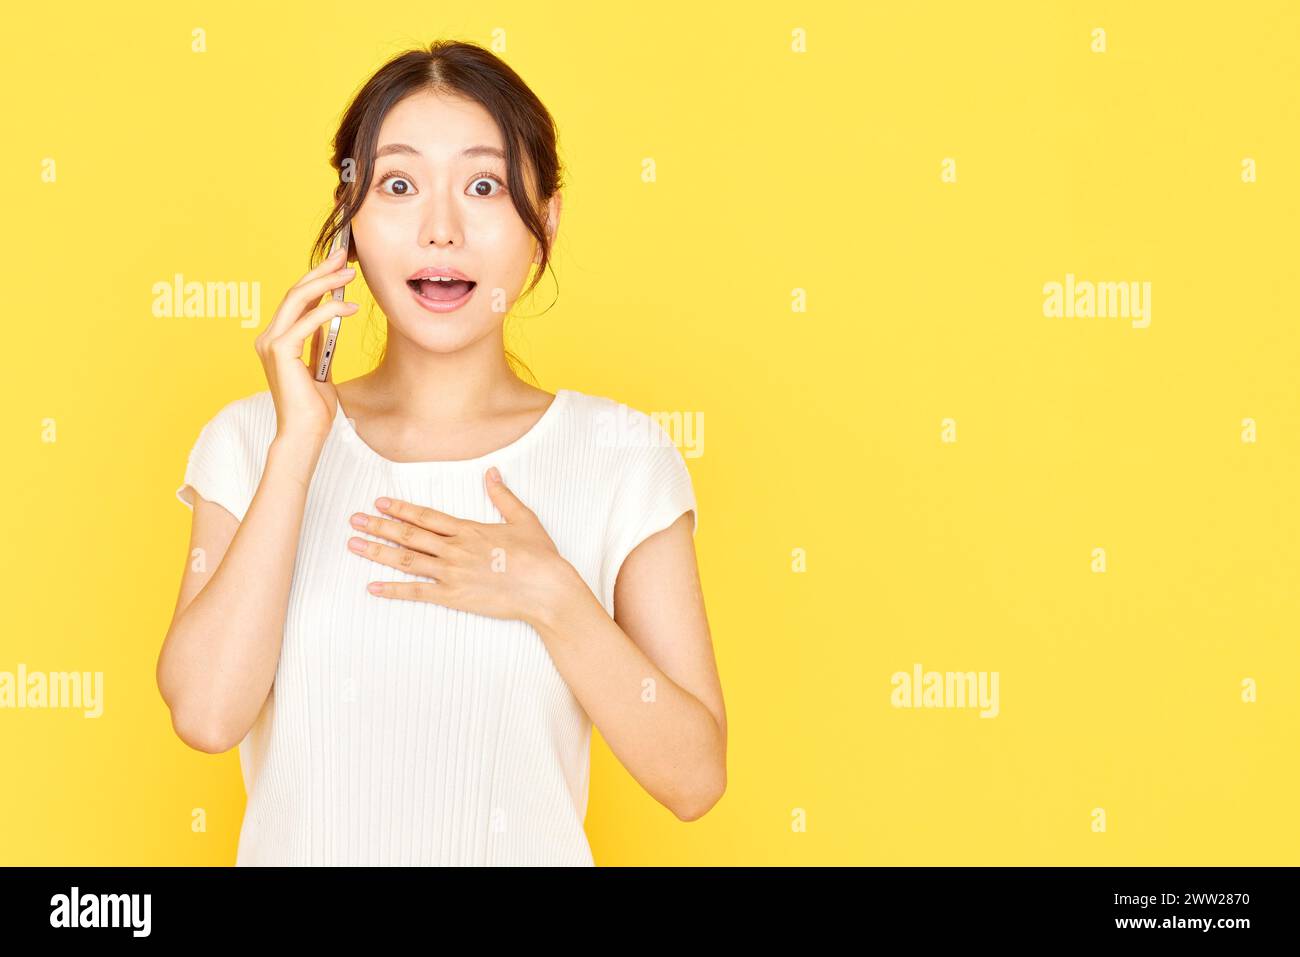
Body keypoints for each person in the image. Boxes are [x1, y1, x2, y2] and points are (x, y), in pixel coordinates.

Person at [156, 41, 726, 866]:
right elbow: (206, 715)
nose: (441, 230)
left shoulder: (619, 455)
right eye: (398, 184)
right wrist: (298, 448)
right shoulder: (251, 442)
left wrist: (552, 595)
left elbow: (695, 777)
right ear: (350, 214)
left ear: (547, 222)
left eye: (484, 185)